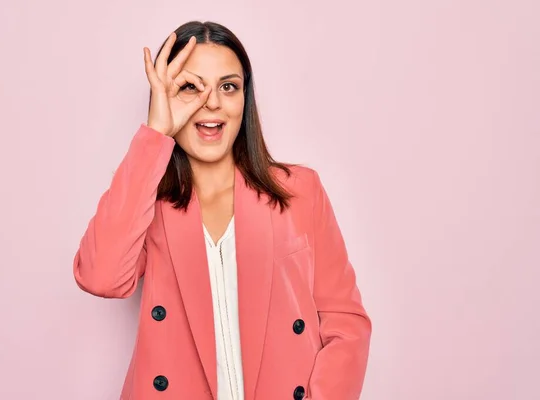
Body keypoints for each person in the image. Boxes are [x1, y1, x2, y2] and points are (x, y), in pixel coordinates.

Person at [73, 20, 372, 400]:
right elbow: (101, 277)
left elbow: (346, 324)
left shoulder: (299, 190)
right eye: (189, 87)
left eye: (227, 86)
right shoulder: (146, 203)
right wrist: (155, 135)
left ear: (244, 99)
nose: (211, 102)